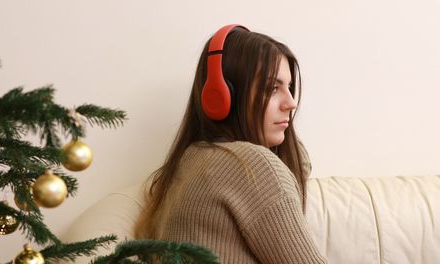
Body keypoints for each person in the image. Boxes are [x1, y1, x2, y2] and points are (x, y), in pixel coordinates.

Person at [134, 24, 327, 264]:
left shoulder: (191, 159)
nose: (291, 102)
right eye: (272, 88)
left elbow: (300, 165)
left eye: (289, 88)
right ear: (222, 97)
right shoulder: (251, 164)